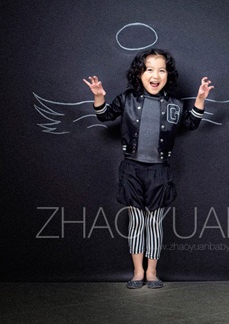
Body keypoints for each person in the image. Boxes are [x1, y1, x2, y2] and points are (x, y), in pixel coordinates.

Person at [84, 48, 213, 289]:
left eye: (161, 70)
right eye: (149, 69)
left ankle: (152, 272)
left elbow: (192, 123)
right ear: (139, 74)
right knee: (136, 222)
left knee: (154, 223)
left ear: (168, 75)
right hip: (131, 169)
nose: (155, 75)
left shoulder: (175, 104)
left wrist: (200, 98)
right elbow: (105, 115)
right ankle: (138, 272)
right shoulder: (127, 99)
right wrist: (99, 96)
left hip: (159, 171)